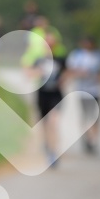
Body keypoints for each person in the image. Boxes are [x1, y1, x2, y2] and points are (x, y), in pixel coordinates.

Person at [29, 32, 67, 166]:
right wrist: (37, 72)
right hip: (42, 94)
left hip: (56, 95)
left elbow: (67, 73)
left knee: (53, 122)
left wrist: (63, 79)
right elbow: (29, 73)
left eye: (52, 43)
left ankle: (53, 152)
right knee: (44, 124)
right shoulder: (39, 60)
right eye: (47, 43)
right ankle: (47, 145)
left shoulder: (61, 59)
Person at [66, 37, 100, 154]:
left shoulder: (98, 56)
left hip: (96, 90)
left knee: (95, 116)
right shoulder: (77, 55)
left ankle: (93, 140)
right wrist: (82, 73)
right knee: (85, 116)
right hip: (82, 91)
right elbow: (71, 71)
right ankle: (86, 137)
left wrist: (99, 77)